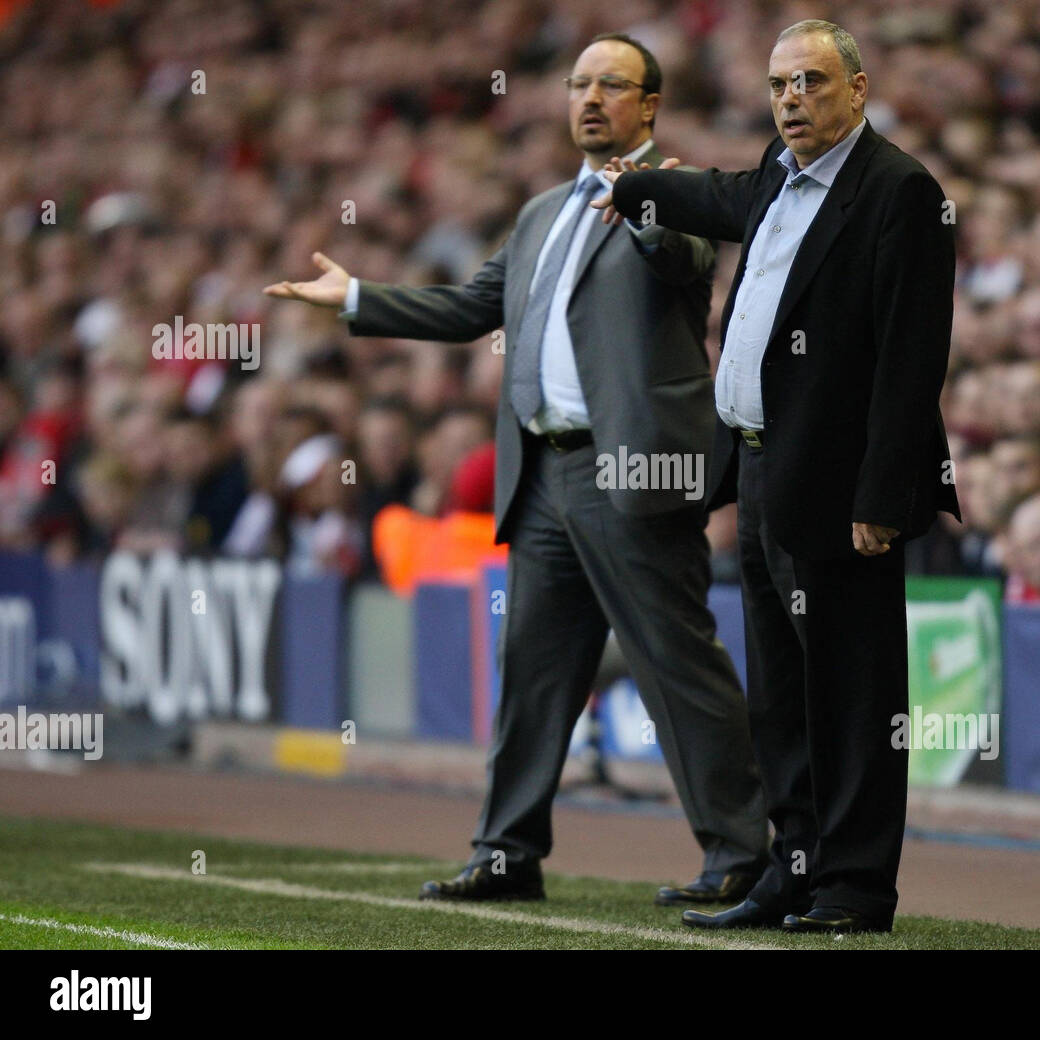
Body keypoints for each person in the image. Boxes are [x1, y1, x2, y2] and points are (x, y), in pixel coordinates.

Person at [264, 32, 768, 905]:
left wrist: (645, 202)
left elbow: (687, 261)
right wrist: (353, 298)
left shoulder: (673, 192)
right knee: (534, 671)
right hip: (543, 473)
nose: (590, 99)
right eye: (578, 84)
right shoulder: (540, 212)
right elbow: (469, 308)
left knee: (673, 660)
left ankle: (742, 852)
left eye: (611, 85)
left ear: (648, 105)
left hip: (635, 471)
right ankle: (506, 853)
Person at [598, 19, 960, 933]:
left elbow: (912, 363)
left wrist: (883, 498)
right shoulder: (776, 172)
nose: (792, 99)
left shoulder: (901, 192)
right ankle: (792, 870)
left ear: (859, 89)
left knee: (852, 693)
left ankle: (855, 887)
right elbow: (719, 199)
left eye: (811, 82)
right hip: (761, 471)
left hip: (841, 491)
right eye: (779, 86)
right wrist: (637, 187)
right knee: (784, 696)